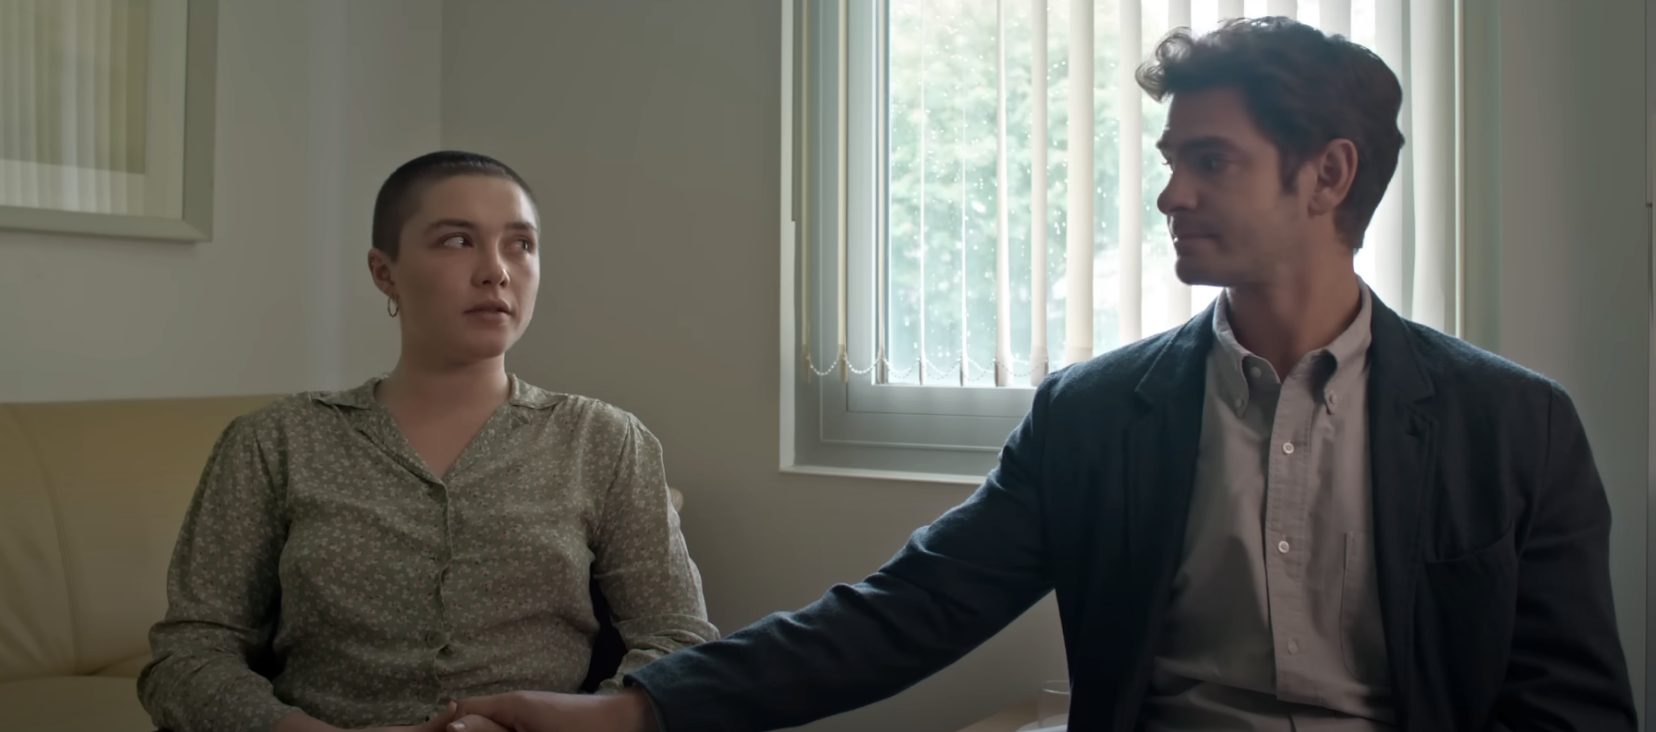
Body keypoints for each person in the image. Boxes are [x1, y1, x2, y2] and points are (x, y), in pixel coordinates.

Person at [447, 17, 1637, 732]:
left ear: (1327, 177)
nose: (1171, 191)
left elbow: (1572, 712)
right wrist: (637, 712)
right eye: (1172, 159)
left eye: (1210, 161)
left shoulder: (1513, 426)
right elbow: (903, 616)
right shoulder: (1098, 417)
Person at [136, 151, 719, 732]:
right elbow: (188, 657)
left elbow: (679, 637)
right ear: (384, 271)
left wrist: (565, 722)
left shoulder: (605, 440)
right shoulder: (275, 442)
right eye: (457, 241)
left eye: (521, 244)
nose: (497, 270)